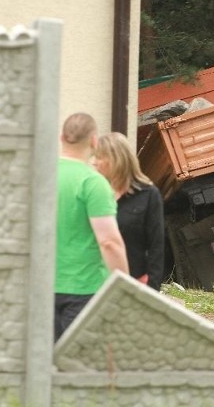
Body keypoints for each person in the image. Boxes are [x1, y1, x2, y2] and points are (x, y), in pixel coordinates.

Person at [54, 113, 129, 342]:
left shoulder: (41, 175)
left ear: (61, 138)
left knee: (43, 366)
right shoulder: (92, 182)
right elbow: (109, 242)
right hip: (83, 290)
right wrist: (124, 285)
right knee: (78, 367)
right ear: (94, 142)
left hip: (42, 285)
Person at [93, 132, 165, 291]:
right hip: (94, 284)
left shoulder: (148, 195)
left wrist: (152, 289)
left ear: (115, 159)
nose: (95, 163)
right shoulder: (95, 193)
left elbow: (156, 246)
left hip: (135, 282)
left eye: (99, 157)